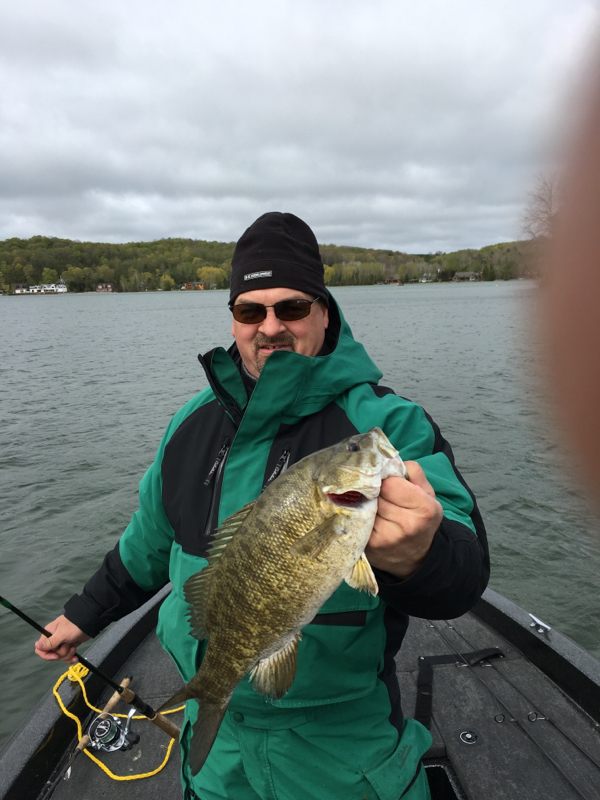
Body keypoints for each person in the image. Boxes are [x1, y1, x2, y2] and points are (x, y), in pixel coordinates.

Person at [35, 212, 489, 800]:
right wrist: (82, 615)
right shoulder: (189, 425)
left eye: (291, 308)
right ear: (234, 319)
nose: (269, 326)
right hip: (219, 756)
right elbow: (147, 543)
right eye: (251, 310)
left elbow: (466, 572)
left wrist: (422, 555)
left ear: (324, 312)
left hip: (341, 751)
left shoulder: (389, 423)